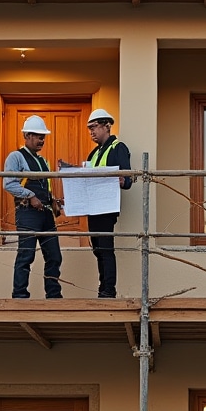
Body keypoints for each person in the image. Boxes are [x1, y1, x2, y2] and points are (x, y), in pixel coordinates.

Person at [3, 115, 63, 298]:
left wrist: (53, 202)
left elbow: (46, 186)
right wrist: (30, 196)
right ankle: (20, 296)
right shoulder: (16, 157)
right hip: (27, 213)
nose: (41, 140)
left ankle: (53, 296)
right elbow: (9, 184)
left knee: (54, 256)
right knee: (26, 255)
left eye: (43, 137)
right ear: (27, 136)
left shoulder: (43, 161)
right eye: (38, 136)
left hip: (45, 214)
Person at [81, 109, 131, 298]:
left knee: (105, 248)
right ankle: (103, 288)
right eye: (89, 128)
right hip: (93, 208)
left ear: (106, 126)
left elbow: (128, 178)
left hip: (106, 208)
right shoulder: (93, 154)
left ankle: (109, 290)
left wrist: (122, 181)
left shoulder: (118, 148)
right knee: (98, 249)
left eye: (94, 127)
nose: (91, 132)